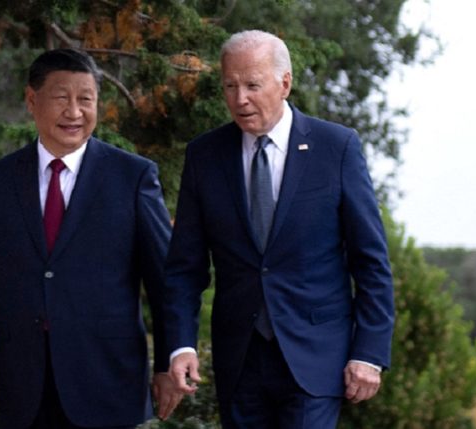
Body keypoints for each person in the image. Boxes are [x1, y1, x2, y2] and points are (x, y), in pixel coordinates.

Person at [163, 30, 395, 428]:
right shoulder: (205, 155)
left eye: (253, 85)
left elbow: (370, 261)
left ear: (284, 82)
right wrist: (180, 345)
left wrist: (369, 352)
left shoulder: (335, 147)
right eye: (230, 86)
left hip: (316, 357)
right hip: (240, 360)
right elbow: (185, 266)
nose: (240, 99)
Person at [0, 48, 182, 429]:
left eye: (85, 100)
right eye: (61, 98)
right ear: (32, 100)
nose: (74, 112)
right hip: (25, 384)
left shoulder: (133, 177)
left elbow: (164, 279)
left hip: (109, 381)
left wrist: (167, 362)